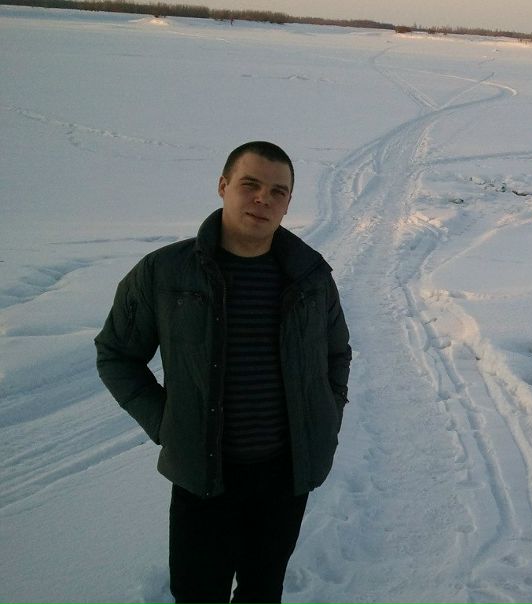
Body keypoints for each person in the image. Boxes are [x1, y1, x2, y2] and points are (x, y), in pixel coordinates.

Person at [95, 141, 351, 603]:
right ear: (223, 186)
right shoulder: (164, 272)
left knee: (262, 590)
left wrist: (327, 415)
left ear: (288, 203)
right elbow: (116, 354)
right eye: (250, 185)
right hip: (203, 478)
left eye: (278, 191)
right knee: (198, 594)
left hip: (284, 478)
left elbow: (337, 353)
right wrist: (167, 424)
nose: (263, 199)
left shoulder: (310, 276)